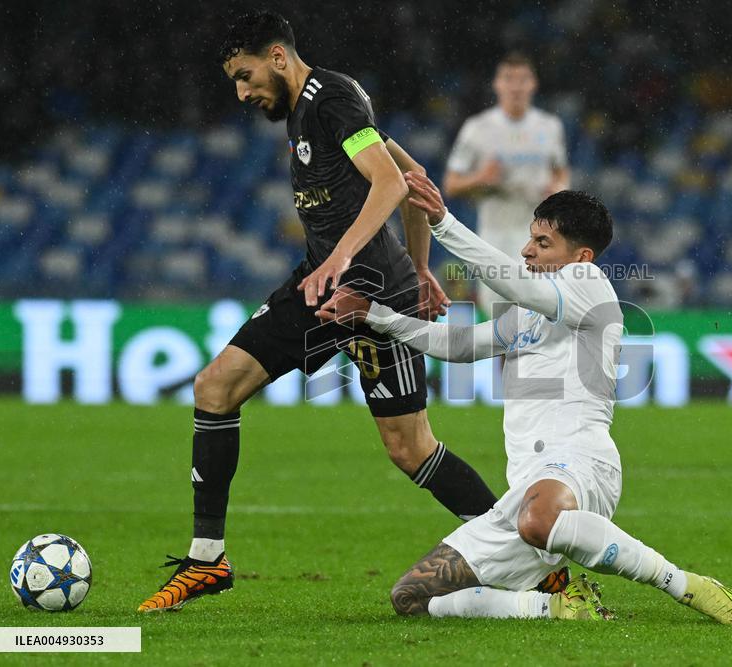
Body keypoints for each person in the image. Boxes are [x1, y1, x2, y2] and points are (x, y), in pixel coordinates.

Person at [137, 10, 498, 612]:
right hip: (322, 287)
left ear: (278, 57)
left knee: (410, 449)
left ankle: (519, 546)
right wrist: (422, 264)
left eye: (246, 75)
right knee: (215, 387)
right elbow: (413, 175)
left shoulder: (331, 99)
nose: (243, 92)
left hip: (374, 291)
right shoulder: (308, 109)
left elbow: (389, 183)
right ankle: (207, 560)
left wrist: (382, 266)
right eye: (235, 81)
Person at [317, 173, 732, 625]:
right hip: (525, 491)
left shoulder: (588, 283)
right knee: (412, 597)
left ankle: (685, 585)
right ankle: (553, 607)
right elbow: (461, 346)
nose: (528, 250)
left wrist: (445, 224)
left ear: (579, 256)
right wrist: (376, 315)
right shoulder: (530, 312)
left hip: (581, 463)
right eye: (530, 239)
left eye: (543, 243)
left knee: (539, 520)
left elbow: (515, 284)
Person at [443, 52, 570, 316]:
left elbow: (560, 172)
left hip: (538, 233)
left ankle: (535, 359)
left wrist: (559, 190)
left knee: (537, 313)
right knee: (500, 317)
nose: (516, 86)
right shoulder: (477, 128)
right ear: (497, 84)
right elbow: (451, 184)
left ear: (533, 84)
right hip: (495, 232)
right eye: (509, 79)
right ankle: (505, 359)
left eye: (523, 79)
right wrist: (481, 178)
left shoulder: (550, 127)